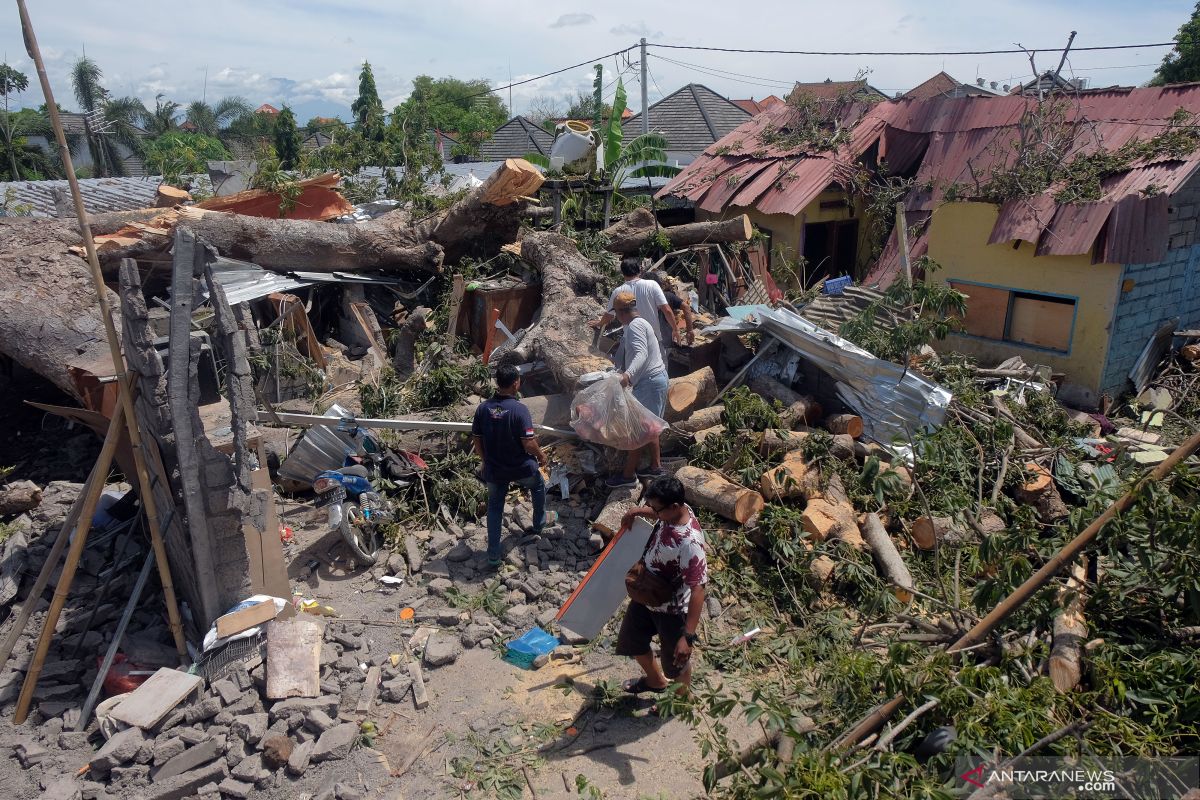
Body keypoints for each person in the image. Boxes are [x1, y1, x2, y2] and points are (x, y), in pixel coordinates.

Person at [615, 476, 707, 698]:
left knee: (676, 662)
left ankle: (681, 700)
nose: (654, 513)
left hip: (672, 610)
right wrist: (637, 511)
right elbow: (658, 514)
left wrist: (688, 636)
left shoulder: (690, 543)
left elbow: (698, 590)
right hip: (647, 595)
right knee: (632, 641)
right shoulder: (673, 511)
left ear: (674, 506)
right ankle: (655, 681)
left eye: (657, 510)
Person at [471, 364, 554, 566]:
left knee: (495, 508)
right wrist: (542, 455)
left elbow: (477, 439)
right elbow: (528, 443)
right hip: (520, 467)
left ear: (498, 383)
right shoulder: (519, 409)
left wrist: (485, 461)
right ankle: (538, 524)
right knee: (537, 485)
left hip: (495, 470)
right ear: (516, 383)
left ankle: (492, 555)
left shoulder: (483, 409)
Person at [606, 290, 668, 488]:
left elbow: (641, 354)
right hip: (653, 380)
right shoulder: (639, 324)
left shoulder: (635, 327)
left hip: (649, 382)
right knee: (650, 426)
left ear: (621, 312)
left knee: (638, 430)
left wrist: (628, 375)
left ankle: (627, 476)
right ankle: (655, 467)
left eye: (616, 314)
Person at [589, 257, 678, 360]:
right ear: (639, 269)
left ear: (622, 272)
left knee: (634, 370)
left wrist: (599, 323)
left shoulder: (618, 291)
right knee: (659, 369)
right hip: (653, 337)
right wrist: (675, 329)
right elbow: (666, 310)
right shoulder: (652, 285)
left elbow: (609, 315)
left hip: (631, 339)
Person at [655, 274, 696, 346]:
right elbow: (686, 307)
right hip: (665, 338)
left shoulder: (638, 298)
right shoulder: (667, 295)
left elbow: (686, 307)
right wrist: (689, 330)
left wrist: (689, 330)